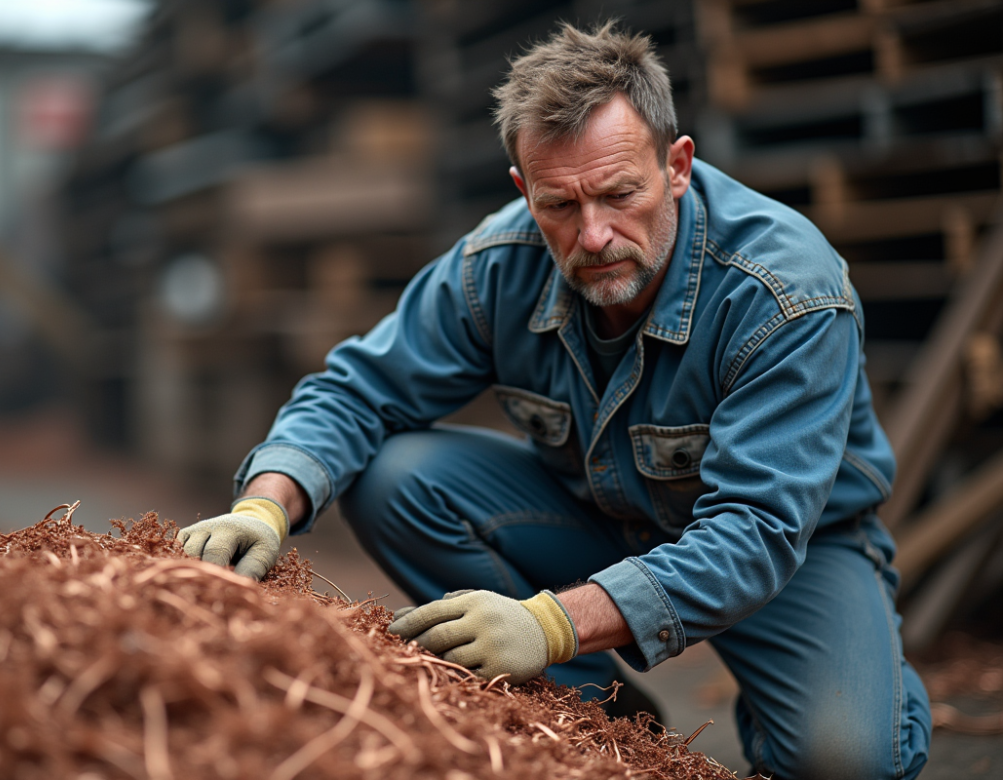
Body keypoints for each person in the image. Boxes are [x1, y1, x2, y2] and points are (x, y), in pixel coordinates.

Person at [177, 22, 931, 780]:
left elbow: (757, 529)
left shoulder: (785, 293)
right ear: (523, 190)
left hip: (788, 552)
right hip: (599, 518)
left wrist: (548, 623)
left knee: (846, 760)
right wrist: (265, 506)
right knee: (393, 475)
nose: (593, 235)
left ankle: (833, 696)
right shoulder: (498, 264)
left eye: (619, 194)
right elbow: (356, 390)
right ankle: (592, 716)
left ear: (676, 166)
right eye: (560, 204)